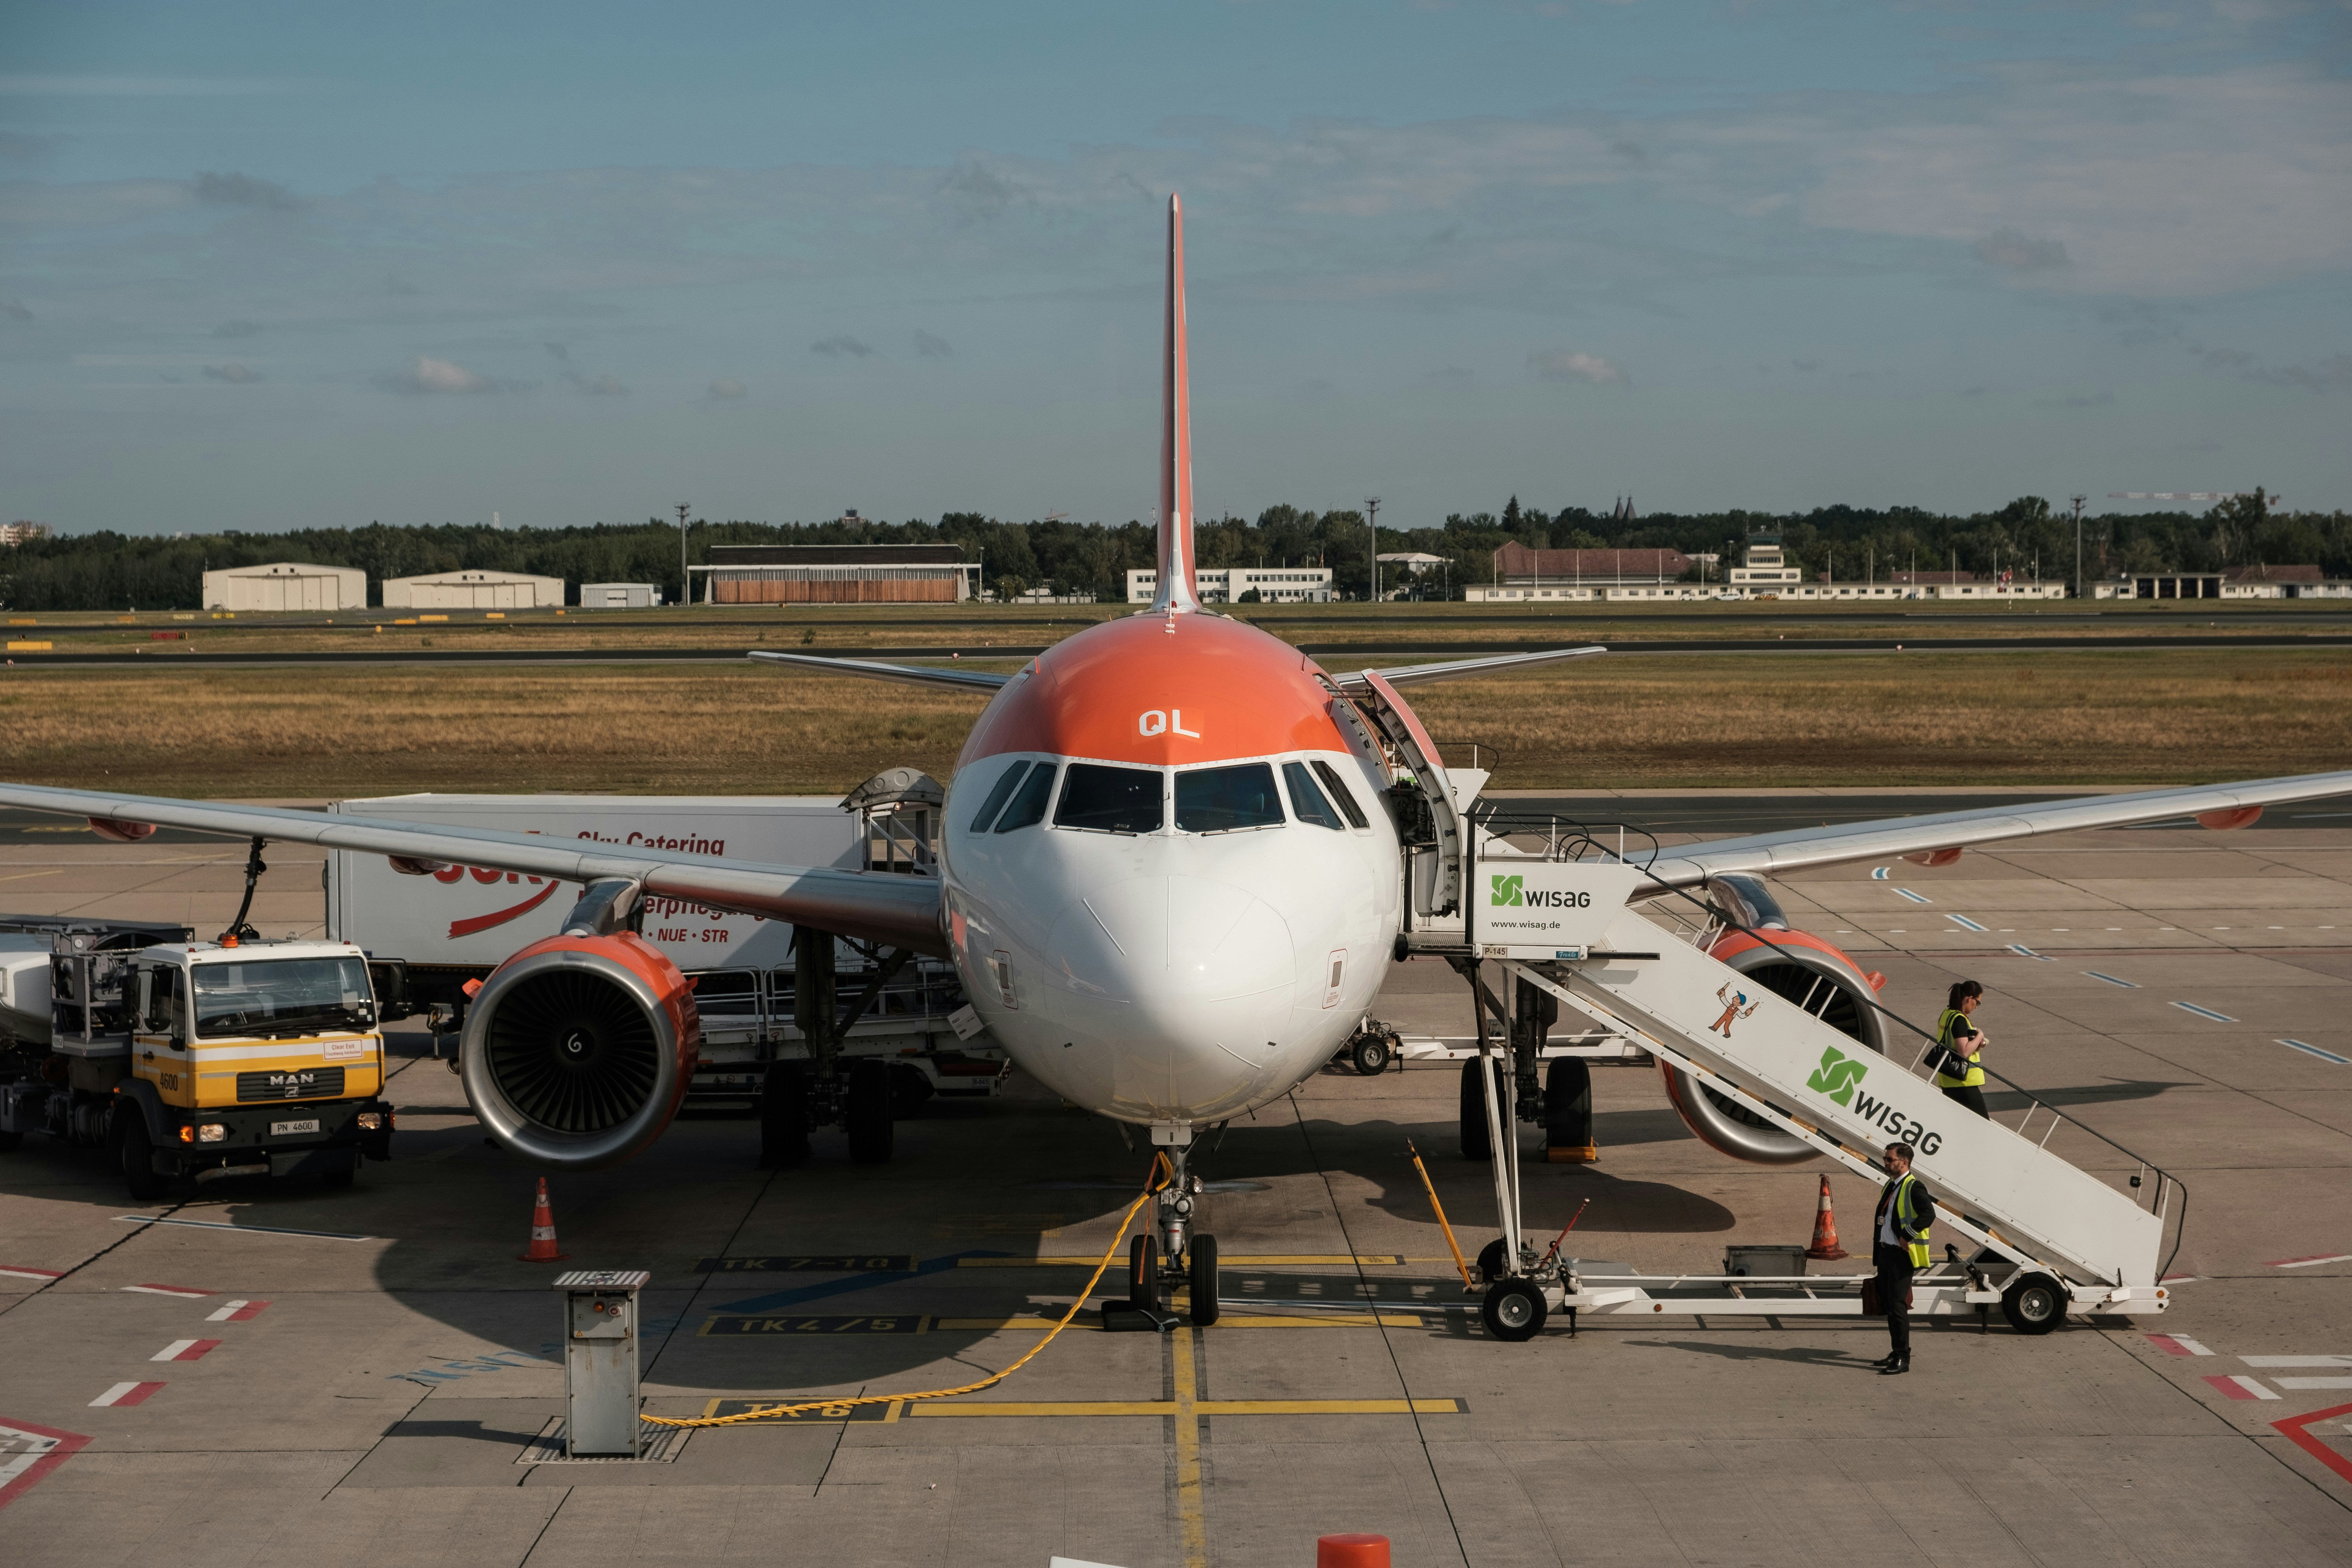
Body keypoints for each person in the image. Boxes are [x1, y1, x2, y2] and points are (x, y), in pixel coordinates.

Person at [1870, 1141, 1935, 1375]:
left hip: (1902, 1256)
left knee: (1898, 1307)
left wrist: (1907, 1235)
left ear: (1904, 1162)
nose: (1885, 1163)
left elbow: (1928, 1214)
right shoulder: (1891, 1184)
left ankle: (1902, 1358)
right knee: (1889, 1306)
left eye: (1890, 1160)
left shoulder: (1914, 1187)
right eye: (1885, 1159)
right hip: (1886, 1253)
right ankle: (1896, 1351)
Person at [1933, 980, 1989, 1117]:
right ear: (1970, 999)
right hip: (1964, 1082)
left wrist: (1976, 1043)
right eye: (1978, 1002)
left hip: (1948, 1079)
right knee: (1982, 1124)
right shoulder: (1959, 1019)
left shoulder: (1947, 1013)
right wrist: (1980, 1035)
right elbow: (1963, 1052)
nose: (1976, 1007)